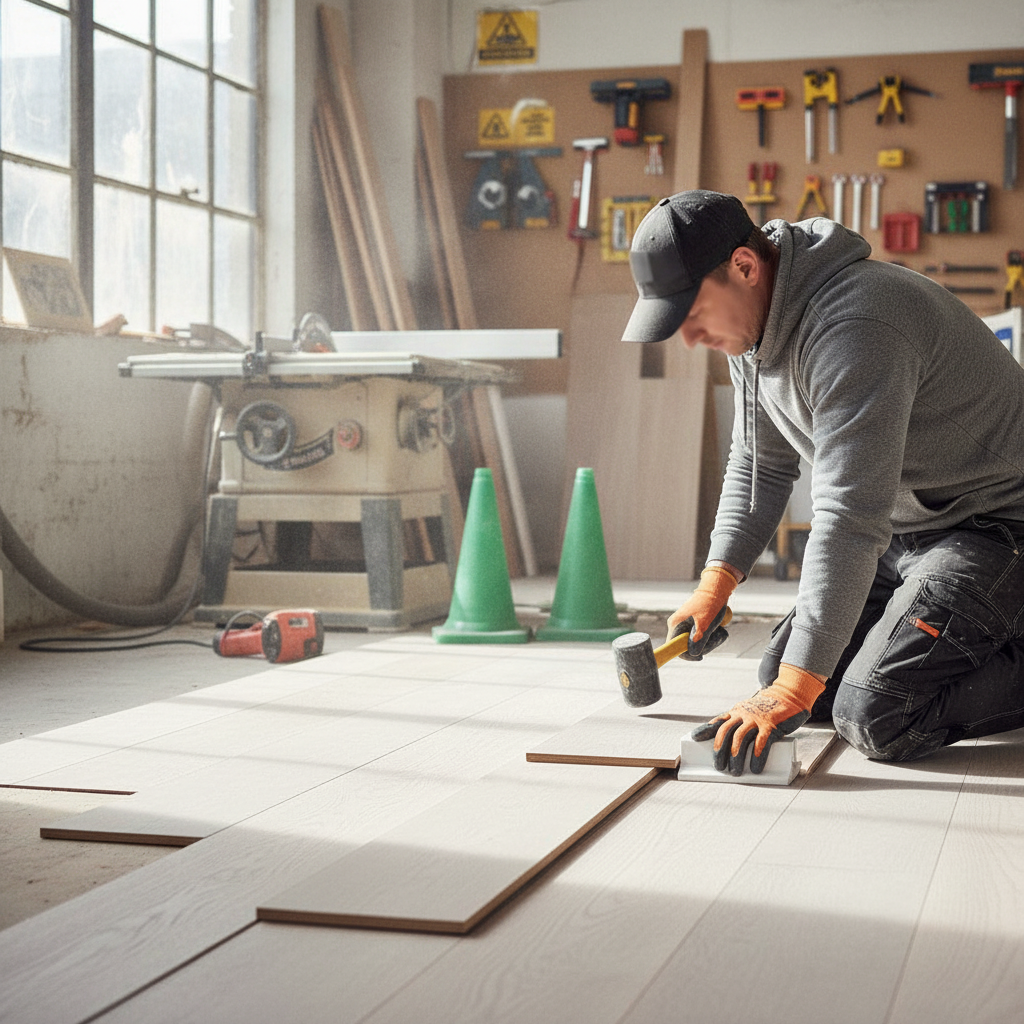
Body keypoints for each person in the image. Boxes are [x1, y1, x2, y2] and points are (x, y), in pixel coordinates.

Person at [622, 189, 1024, 776]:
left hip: (999, 527)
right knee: (786, 671)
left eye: (692, 312)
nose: (688, 338)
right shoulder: (753, 327)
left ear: (744, 266)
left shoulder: (858, 325)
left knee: (874, 714)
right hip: (915, 531)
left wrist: (795, 690)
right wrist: (716, 585)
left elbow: (849, 517)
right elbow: (760, 466)